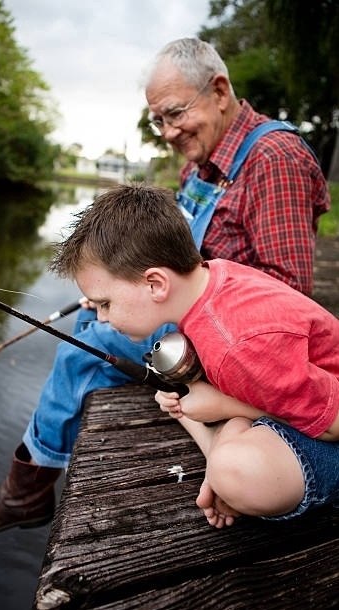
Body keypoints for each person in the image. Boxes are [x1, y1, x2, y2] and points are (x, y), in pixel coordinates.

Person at [0, 38, 330, 533]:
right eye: (158, 121)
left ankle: (26, 492)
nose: (168, 132)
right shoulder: (200, 164)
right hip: (185, 305)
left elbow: (289, 294)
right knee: (93, 314)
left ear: (219, 89)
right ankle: (34, 478)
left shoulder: (273, 159)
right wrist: (118, 285)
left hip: (235, 330)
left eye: (175, 114)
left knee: (84, 346)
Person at [50, 182, 339, 528]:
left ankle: (217, 448)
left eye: (105, 304)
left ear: (156, 284)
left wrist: (224, 407)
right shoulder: (213, 277)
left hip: (330, 428)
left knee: (237, 474)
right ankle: (220, 439)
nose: (101, 318)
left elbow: (333, 423)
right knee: (187, 403)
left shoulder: (236, 344)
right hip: (298, 399)